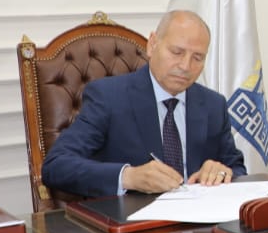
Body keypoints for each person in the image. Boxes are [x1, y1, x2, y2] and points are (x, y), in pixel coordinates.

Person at [41, 10, 247, 199]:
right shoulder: (109, 97)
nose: (186, 66)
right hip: (133, 222)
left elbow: (237, 169)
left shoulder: (213, 105)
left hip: (199, 222)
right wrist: (128, 177)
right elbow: (56, 166)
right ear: (152, 44)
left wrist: (222, 172)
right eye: (177, 52)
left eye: (198, 57)